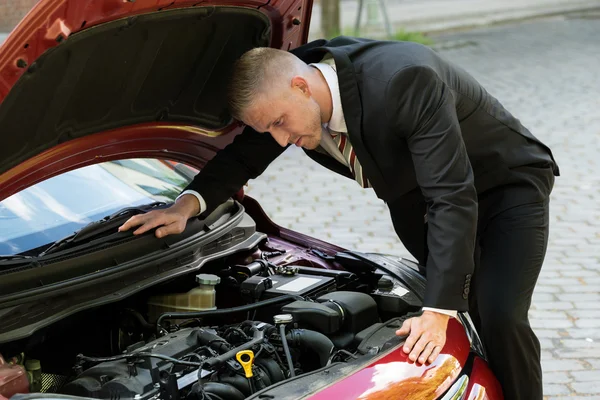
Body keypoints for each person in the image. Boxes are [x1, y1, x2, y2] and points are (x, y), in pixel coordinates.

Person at [119, 36, 559, 399]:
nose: (279, 139)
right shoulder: (293, 94)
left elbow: (452, 195)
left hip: (504, 185)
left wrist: (440, 307)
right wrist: (185, 206)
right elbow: (242, 156)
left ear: (301, 86)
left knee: (499, 311)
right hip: (417, 200)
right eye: (267, 129)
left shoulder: (405, 80)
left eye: (279, 123)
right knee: (467, 301)